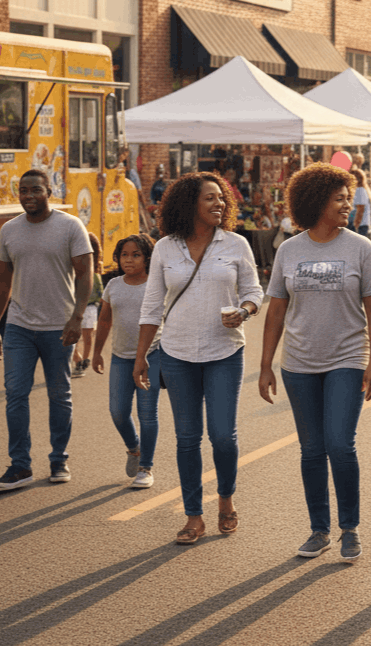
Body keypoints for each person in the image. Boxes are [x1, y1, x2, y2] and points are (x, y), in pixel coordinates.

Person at [259, 163, 371, 561]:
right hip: (298, 362)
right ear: (316, 202)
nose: (347, 204)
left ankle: (350, 528)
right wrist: (265, 365)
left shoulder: (360, 248)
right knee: (311, 450)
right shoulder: (289, 250)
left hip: (347, 358)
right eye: (339, 198)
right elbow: (276, 311)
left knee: (339, 444)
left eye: (348, 197)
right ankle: (319, 530)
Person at [135, 173, 263, 544]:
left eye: (222, 198)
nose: (219, 203)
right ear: (190, 203)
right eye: (210, 198)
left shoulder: (236, 243)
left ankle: (225, 500)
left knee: (223, 436)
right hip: (176, 354)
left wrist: (245, 309)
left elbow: (254, 290)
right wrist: (141, 356)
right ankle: (194, 516)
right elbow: (151, 305)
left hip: (224, 351)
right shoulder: (165, 248)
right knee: (187, 439)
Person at [0, 169, 93, 491]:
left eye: (35, 189)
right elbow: (2, 280)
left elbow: (86, 274)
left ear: (49, 190)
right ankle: (20, 466)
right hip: (19, 325)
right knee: (15, 395)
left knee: (59, 395)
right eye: (23, 190)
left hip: (58, 328)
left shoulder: (70, 226)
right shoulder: (9, 230)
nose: (28, 195)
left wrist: (77, 318)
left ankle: (59, 459)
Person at [92, 234, 160, 489]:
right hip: (120, 357)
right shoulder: (113, 286)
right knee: (118, 411)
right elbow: (105, 320)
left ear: (147, 258)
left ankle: (146, 467)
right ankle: (134, 449)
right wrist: (97, 351)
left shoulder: (156, 285)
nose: (129, 260)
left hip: (152, 357)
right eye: (124, 255)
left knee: (147, 414)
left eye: (136, 255)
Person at [72, 232, 104, 378]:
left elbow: (100, 293)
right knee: (72, 337)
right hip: (74, 307)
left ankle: (84, 360)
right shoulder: (72, 271)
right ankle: (78, 358)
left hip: (90, 307)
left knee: (87, 335)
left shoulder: (95, 272)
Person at [351, 167, 371, 238]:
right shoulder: (362, 190)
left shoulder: (359, 191)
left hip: (361, 226)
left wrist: (355, 226)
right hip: (362, 225)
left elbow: (360, 210)